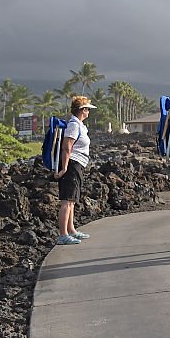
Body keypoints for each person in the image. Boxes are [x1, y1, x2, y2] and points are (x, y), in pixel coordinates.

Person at [54, 96, 97, 244]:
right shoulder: (73, 125)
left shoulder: (80, 125)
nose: (88, 112)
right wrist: (64, 167)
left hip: (78, 165)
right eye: (87, 109)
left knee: (72, 200)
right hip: (72, 164)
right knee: (67, 201)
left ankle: (71, 229)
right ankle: (62, 235)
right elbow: (67, 147)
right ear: (82, 110)